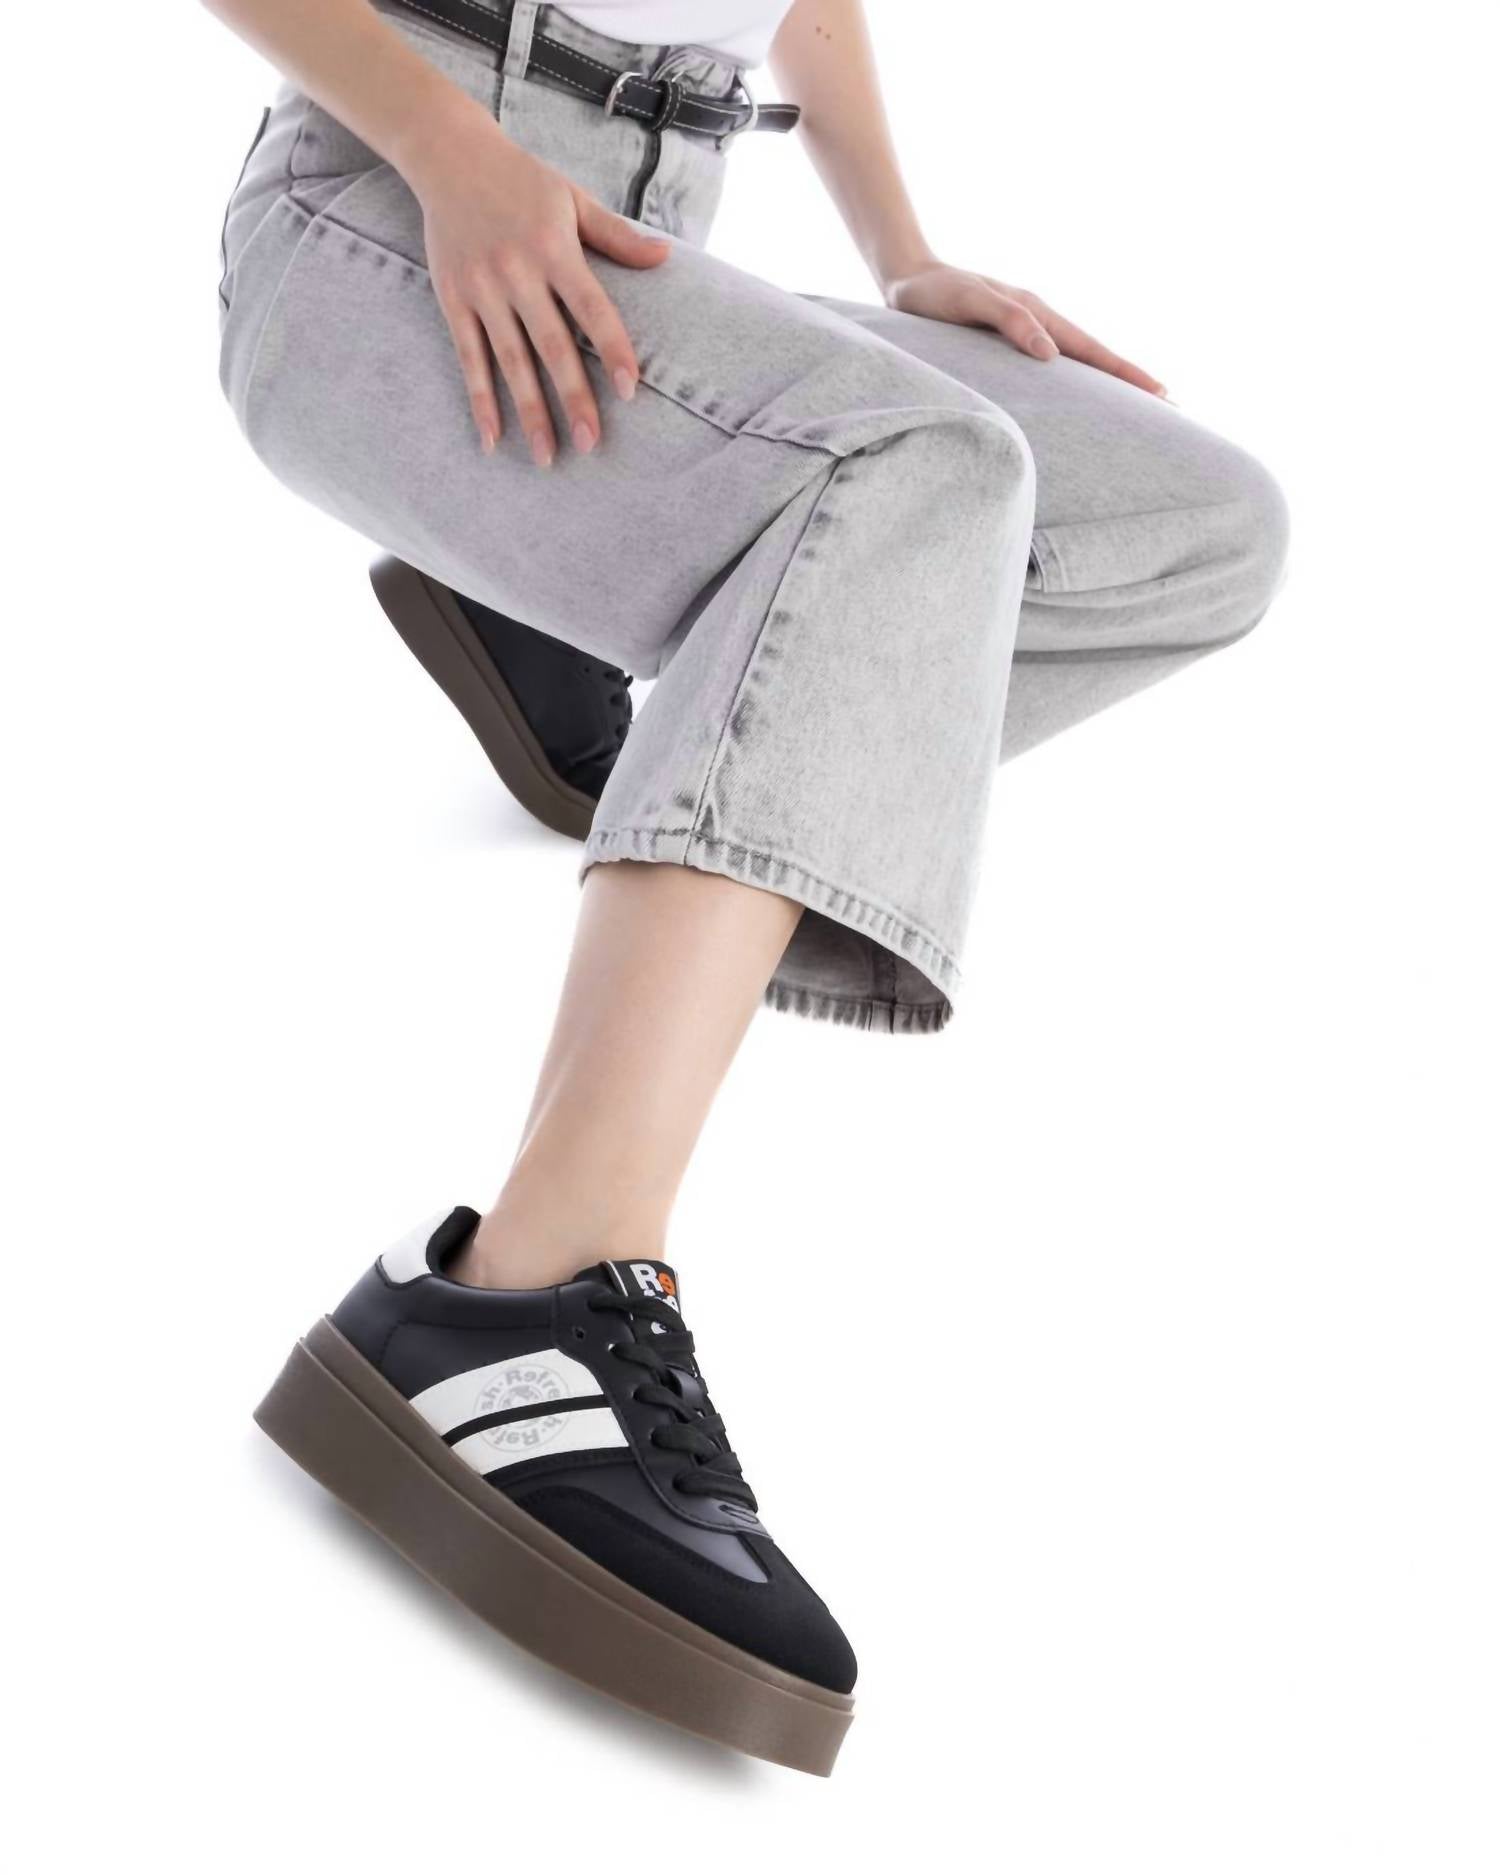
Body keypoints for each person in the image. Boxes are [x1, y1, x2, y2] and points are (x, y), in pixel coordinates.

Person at [213, 0, 1289, 1773]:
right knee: (924, 470)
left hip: (650, 266)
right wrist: (450, 152)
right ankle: (516, 1288)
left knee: (1197, 524)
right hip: (384, 211)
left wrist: (904, 254)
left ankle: (569, 583)